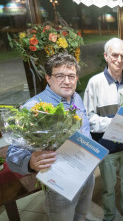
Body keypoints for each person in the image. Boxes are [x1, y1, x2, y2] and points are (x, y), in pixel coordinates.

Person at [6, 53, 94, 221]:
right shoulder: (34, 108)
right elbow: (13, 154)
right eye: (60, 76)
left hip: (86, 174)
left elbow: (84, 129)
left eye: (71, 76)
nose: (67, 81)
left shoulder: (77, 98)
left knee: (81, 215)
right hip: (60, 184)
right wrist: (30, 162)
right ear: (48, 78)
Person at [83, 38, 123, 221]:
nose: (119, 59)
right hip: (107, 147)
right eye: (114, 55)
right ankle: (109, 215)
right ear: (106, 56)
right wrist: (114, 123)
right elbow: (88, 118)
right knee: (108, 186)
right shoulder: (94, 83)